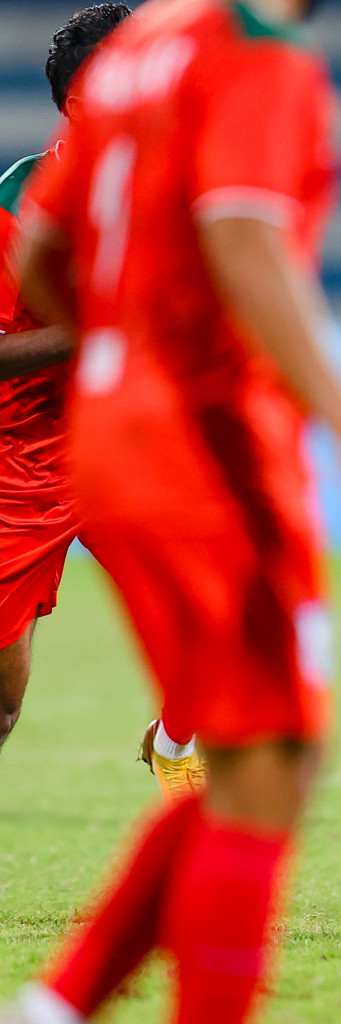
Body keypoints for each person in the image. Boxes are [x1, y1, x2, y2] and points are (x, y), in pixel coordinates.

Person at [6, 0, 341, 1020]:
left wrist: (113, 339)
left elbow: (44, 256)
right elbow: (244, 235)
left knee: (258, 750)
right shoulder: (251, 55)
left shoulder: (141, 52)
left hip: (111, 428)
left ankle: (59, 1003)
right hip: (204, 433)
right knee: (273, 751)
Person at [0, 5, 131, 760]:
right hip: (17, 461)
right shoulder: (20, 203)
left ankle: (179, 742)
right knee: (2, 704)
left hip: (119, 445)